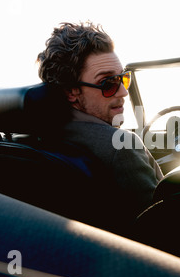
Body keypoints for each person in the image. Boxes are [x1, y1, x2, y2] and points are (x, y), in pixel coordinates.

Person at [36, 22, 163, 232]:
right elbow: (162, 226)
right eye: (108, 83)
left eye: (123, 78)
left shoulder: (35, 136)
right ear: (71, 92)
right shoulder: (122, 148)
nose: (123, 92)